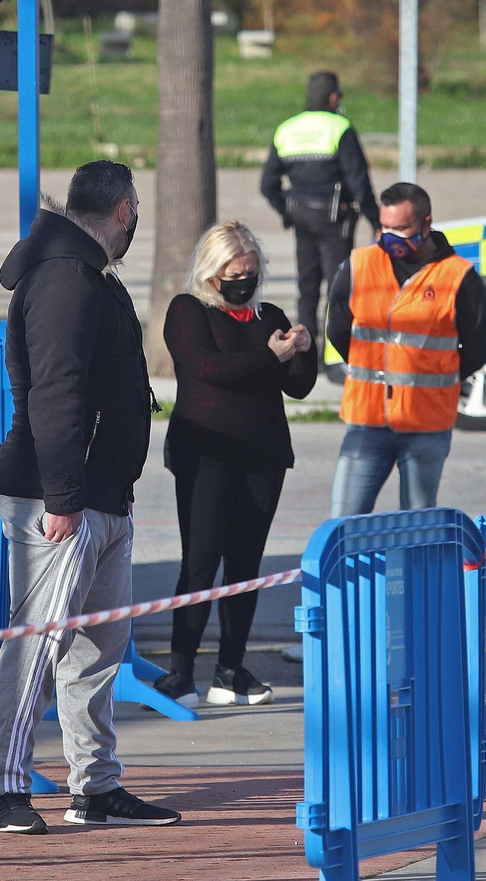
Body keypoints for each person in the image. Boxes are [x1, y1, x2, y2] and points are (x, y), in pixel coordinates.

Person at [0, 160, 180, 834]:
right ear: (124, 210)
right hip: (57, 497)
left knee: (98, 651)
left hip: (103, 496)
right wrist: (64, 497)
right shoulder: (68, 278)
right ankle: (4, 793)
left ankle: (95, 788)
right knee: (36, 647)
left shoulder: (89, 272)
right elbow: (55, 395)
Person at [154, 222, 316, 708]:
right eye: (234, 274)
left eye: (251, 273)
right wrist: (270, 358)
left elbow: (298, 386)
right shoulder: (189, 311)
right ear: (212, 272)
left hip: (261, 456)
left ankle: (231, 668)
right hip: (206, 454)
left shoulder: (268, 315)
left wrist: (303, 352)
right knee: (200, 563)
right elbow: (205, 370)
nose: (244, 282)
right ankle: (180, 671)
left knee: (245, 567)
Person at [325, 182, 486, 518]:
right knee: (344, 523)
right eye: (385, 227)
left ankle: (411, 574)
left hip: (426, 423)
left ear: (426, 224)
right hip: (366, 421)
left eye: (401, 229)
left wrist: (434, 375)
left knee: (415, 525)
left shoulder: (458, 276)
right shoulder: (359, 265)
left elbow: (476, 347)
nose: (391, 237)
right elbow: (338, 332)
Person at [260, 71, 380, 343]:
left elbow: (268, 184)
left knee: (307, 286)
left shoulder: (287, 129)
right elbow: (359, 180)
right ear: (334, 97)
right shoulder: (340, 127)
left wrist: (286, 211)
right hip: (336, 219)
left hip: (301, 217)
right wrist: (376, 221)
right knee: (338, 286)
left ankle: (307, 346)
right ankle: (335, 348)